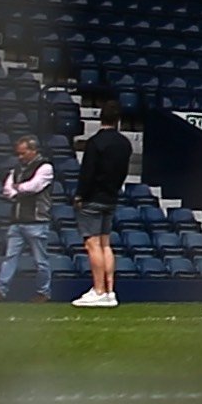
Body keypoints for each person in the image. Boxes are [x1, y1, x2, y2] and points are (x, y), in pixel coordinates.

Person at [73, 105, 131, 306]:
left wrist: (80, 195)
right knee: (106, 244)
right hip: (111, 197)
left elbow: (87, 172)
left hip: (94, 197)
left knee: (92, 244)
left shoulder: (95, 142)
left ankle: (98, 290)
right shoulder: (124, 143)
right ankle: (109, 290)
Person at [0, 133, 60, 300]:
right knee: (10, 257)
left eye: (23, 153)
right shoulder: (16, 169)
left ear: (33, 150)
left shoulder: (45, 167)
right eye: (18, 153)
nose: (20, 156)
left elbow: (35, 186)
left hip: (37, 220)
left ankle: (43, 292)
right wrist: (18, 190)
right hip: (17, 220)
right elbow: (7, 190)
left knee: (41, 261)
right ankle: (0, 289)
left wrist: (17, 189)